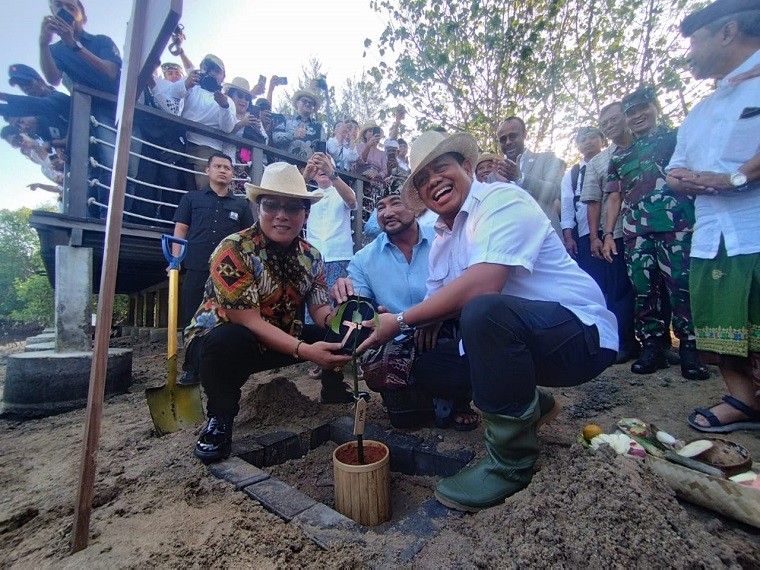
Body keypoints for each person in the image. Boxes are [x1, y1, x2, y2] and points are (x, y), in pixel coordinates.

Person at [358, 131, 617, 512]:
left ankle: (510, 464)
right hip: (523, 341)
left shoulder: (501, 199)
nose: (433, 180)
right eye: (423, 178)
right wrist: (399, 323)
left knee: (482, 310)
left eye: (441, 168)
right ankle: (531, 403)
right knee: (430, 362)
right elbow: (435, 302)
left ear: (466, 167)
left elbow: (483, 285)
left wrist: (399, 319)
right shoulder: (445, 237)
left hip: (580, 335)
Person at [186, 162, 353, 462]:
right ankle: (220, 420)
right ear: (258, 208)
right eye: (272, 205)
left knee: (340, 330)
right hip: (221, 340)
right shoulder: (234, 248)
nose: (282, 215)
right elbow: (247, 321)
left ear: (306, 213)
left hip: (280, 336)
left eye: (292, 208)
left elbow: (319, 312)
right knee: (230, 339)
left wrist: (347, 313)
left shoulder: (312, 256)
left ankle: (334, 388)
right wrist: (306, 350)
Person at [665, 0, 760, 432]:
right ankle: (744, 401)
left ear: (727, 32)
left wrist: (736, 178)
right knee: (718, 315)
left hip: (753, 225)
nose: (689, 55)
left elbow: (738, 174)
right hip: (711, 233)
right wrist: (684, 180)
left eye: (694, 43)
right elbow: (675, 168)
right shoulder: (700, 111)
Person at [332, 184, 477, 429]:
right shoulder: (363, 260)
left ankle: (457, 400)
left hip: (448, 326)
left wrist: (435, 315)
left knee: (469, 332)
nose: (387, 212)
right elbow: (362, 311)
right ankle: (419, 401)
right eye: (380, 207)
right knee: (405, 420)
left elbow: (469, 288)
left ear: (416, 206)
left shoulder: (447, 239)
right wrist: (348, 300)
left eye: (396, 202)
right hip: (395, 336)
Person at [602, 86, 708, 381]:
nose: (638, 116)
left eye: (642, 108)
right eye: (631, 112)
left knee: (681, 286)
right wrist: (609, 233)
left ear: (655, 108)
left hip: (677, 226)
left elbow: (696, 174)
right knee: (643, 289)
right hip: (636, 231)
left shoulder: (677, 138)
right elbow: (613, 197)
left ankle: (691, 348)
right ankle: (653, 347)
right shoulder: (620, 156)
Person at [171, 153, 254, 385]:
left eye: (227, 167)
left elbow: (249, 238)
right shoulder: (192, 199)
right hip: (197, 267)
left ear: (232, 173)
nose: (222, 170)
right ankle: (191, 368)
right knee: (191, 319)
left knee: (228, 319)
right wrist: (174, 262)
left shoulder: (241, 204)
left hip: (228, 274)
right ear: (207, 170)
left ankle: (224, 367)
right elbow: (181, 230)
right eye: (217, 166)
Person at [580, 103, 638, 363]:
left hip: (657, 229)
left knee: (658, 287)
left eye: (615, 119)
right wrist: (595, 236)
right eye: (605, 123)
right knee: (619, 289)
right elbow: (593, 201)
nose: (610, 125)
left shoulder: (654, 146)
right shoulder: (599, 162)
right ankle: (624, 342)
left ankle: (659, 343)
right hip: (615, 235)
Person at [156, 54, 237, 190]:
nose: (212, 73)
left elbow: (227, 128)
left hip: (207, 150)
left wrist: (224, 106)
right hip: (181, 146)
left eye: (217, 70)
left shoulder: (228, 101)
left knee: (204, 192)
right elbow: (170, 95)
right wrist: (185, 84)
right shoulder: (192, 87)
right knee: (180, 191)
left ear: (223, 76)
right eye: (208, 68)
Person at [494, 116, 566, 236]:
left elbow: (553, 191)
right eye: (503, 139)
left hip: (546, 239)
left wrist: (520, 178)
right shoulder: (494, 174)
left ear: (525, 134)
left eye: (512, 136)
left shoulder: (546, 159)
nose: (508, 142)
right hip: (511, 243)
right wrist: (505, 185)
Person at [560, 126, 607, 284]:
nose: (588, 142)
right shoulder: (572, 175)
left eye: (592, 137)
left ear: (602, 139)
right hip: (584, 234)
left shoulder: (612, 162)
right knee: (592, 279)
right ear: (578, 146)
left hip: (614, 231)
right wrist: (568, 238)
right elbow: (567, 207)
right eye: (583, 140)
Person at [271, 88, 325, 159]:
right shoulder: (285, 119)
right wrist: (293, 135)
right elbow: (275, 137)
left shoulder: (318, 127)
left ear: (313, 108)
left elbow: (322, 151)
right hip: (284, 165)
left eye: (311, 103)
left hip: (307, 167)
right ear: (297, 103)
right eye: (304, 101)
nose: (307, 104)